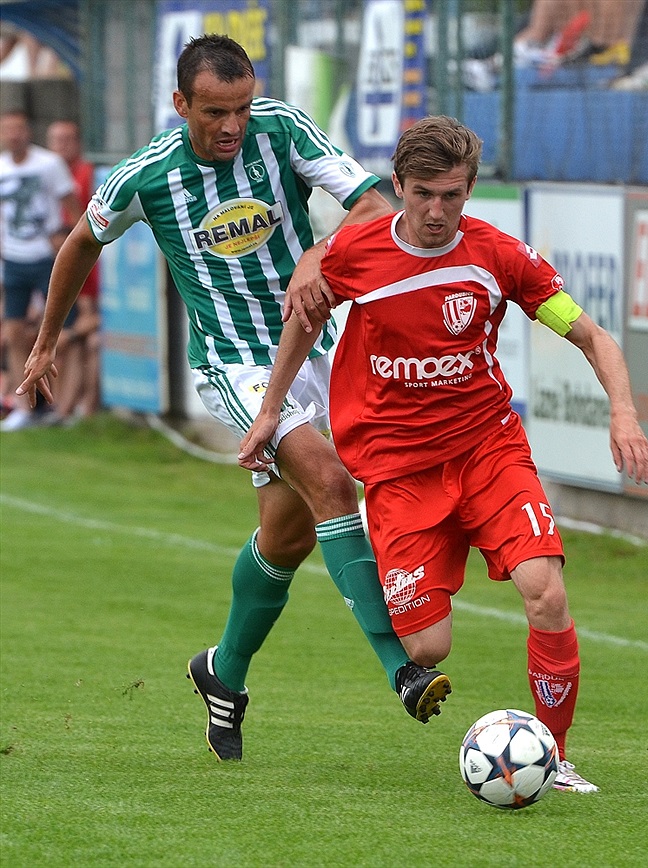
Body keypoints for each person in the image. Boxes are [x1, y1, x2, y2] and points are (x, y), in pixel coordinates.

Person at [16, 35, 451, 763]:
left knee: (288, 536)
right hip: (234, 366)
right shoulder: (145, 176)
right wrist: (45, 342)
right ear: (180, 103)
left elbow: (374, 208)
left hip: (315, 348)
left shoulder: (283, 129)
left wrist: (317, 253)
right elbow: (79, 245)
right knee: (330, 482)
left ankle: (222, 672)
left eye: (242, 108)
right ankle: (400, 668)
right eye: (215, 111)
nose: (232, 126)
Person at [239, 115, 648, 794]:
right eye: (424, 194)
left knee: (545, 592)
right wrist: (269, 413)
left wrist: (624, 412)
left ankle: (554, 758)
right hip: (399, 471)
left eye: (452, 196)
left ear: (470, 189)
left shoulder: (500, 256)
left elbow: (591, 335)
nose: (437, 211)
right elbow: (303, 323)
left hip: (488, 450)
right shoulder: (357, 254)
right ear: (398, 185)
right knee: (428, 647)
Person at [0, 110, 82, 431]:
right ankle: (23, 407)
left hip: (48, 258)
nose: (13, 135)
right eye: (7, 129)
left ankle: (61, 407)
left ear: (29, 131)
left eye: (18, 129)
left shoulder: (48, 164)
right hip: (13, 258)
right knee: (14, 332)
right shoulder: (2, 166)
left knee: (64, 333)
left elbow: (75, 209)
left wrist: (68, 241)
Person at [46, 120, 101, 420]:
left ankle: (78, 411)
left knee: (83, 342)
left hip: (94, 320)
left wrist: (68, 333)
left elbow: (92, 311)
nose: (62, 145)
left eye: (68, 139)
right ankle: (56, 409)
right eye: (56, 140)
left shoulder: (88, 174)